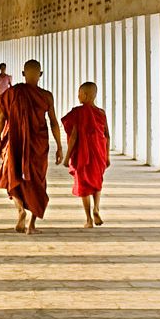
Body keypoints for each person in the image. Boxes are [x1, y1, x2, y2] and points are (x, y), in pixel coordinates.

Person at [0, 59, 63, 234]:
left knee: (12, 176)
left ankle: (20, 210)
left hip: (14, 142)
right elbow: (53, 122)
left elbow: (1, 120)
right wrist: (60, 146)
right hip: (38, 144)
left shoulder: (10, 94)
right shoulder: (46, 96)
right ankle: (31, 225)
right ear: (41, 74)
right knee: (37, 182)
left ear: (23, 74)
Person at [60, 82, 111, 228]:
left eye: (79, 93)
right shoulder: (101, 113)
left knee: (83, 185)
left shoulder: (78, 112)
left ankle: (89, 219)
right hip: (99, 152)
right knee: (97, 182)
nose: (78, 96)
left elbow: (74, 136)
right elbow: (107, 135)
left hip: (83, 154)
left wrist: (67, 157)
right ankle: (96, 208)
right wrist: (107, 156)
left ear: (86, 95)